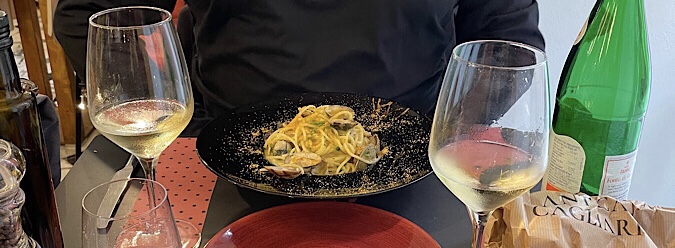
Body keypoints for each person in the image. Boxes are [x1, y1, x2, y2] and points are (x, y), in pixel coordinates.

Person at [54, 0, 544, 132]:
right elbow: (88, 18)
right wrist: (176, 120)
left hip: (417, 171)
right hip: (221, 166)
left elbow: (509, 42)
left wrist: (445, 139)